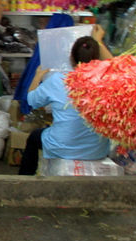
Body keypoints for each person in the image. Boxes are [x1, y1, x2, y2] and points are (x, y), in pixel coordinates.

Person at [18, 25, 113, 175]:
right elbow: (118, 66)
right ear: (98, 59)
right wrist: (98, 42)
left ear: (71, 57)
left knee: (34, 137)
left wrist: (38, 75)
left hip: (61, 146)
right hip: (97, 150)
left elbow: (31, 100)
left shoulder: (58, 80)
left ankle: (23, 181)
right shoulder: (106, 80)